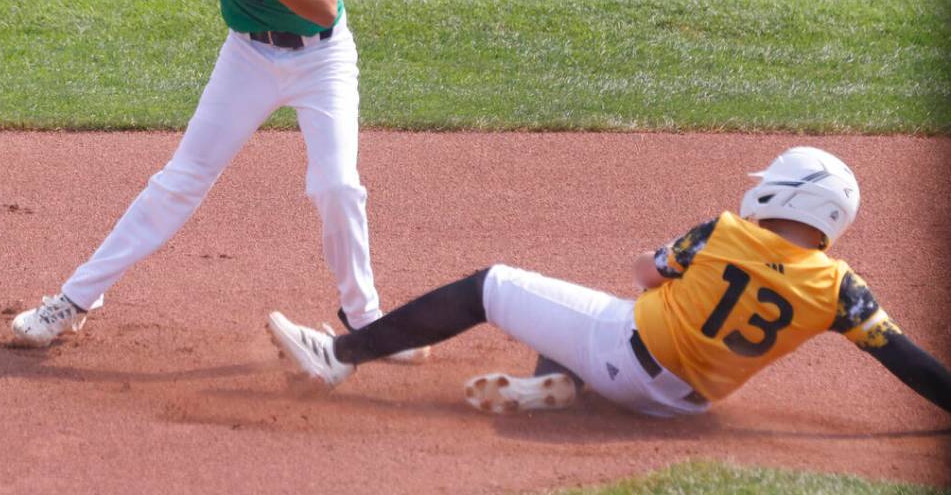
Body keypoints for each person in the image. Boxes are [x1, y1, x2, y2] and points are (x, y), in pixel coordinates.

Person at [11, 0, 427, 363]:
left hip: (321, 58)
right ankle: (74, 301)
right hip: (250, 56)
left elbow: (324, 8)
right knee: (179, 182)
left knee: (337, 186)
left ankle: (367, 322)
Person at [268, 147, 951, 418]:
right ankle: (556, 386)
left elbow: (644, 273)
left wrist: (667, 272)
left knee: (493, 286)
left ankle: (339, 356)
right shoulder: (841, 290)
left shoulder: (724, 232)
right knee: (581, 318)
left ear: (784, 193)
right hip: (681, 407)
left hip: (623, 354)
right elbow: (908, 361)